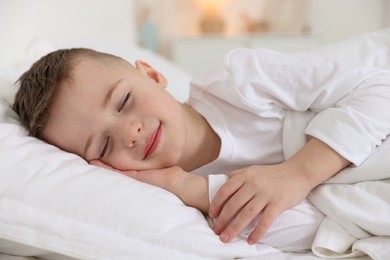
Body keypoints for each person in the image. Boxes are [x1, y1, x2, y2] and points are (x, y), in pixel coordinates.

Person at [12, 47, 390, 247]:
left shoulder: (239, 82)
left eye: (124, 100)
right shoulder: (182, 201)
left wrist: (297, 174)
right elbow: (314, 231)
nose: (131, 132)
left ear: (151, 74)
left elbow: (380, 88)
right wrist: (185, 188)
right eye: (105, 144)